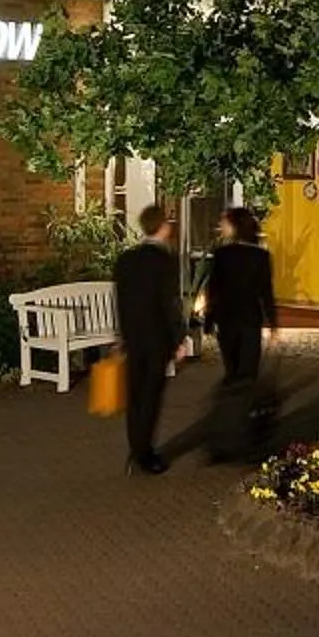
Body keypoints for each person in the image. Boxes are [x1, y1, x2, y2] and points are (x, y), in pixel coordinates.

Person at [200, 205, 279, 462]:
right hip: (249, 321)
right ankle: (243, 431)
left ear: (234, 226)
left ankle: (228, 430)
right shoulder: (260, 257)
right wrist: (273, 325)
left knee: (233, 374)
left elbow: (214, 290)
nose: (221, 227)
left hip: (228, 322)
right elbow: (265, 293)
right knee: (248, 375)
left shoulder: (222, 254)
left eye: (224, 222)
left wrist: (209, 321)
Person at [110, 203, 184, 475]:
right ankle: (144, 453)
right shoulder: (165, 260)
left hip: (134, 335)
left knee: (135, 395)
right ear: (163, 227)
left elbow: (121, 301)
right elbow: (170, 303)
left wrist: (122, 335)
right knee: (151, 396)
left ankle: (135, 447)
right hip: (156, 337)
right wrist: (179, 339)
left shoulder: (126, 259)